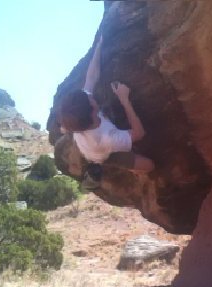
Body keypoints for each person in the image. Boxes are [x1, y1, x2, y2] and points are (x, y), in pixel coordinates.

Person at [58, 35, 154, 187]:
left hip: (87, 143)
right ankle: (120, 168)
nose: (91, 96)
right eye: (90, 100)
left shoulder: (80, 117)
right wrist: (124, 99)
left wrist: (98, 47)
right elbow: (139, 134)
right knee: (149, 166)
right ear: (92, 112)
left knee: (70, 130)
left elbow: (91, 78)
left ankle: (65, 130)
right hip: (103, 154)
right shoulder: (106, 139)